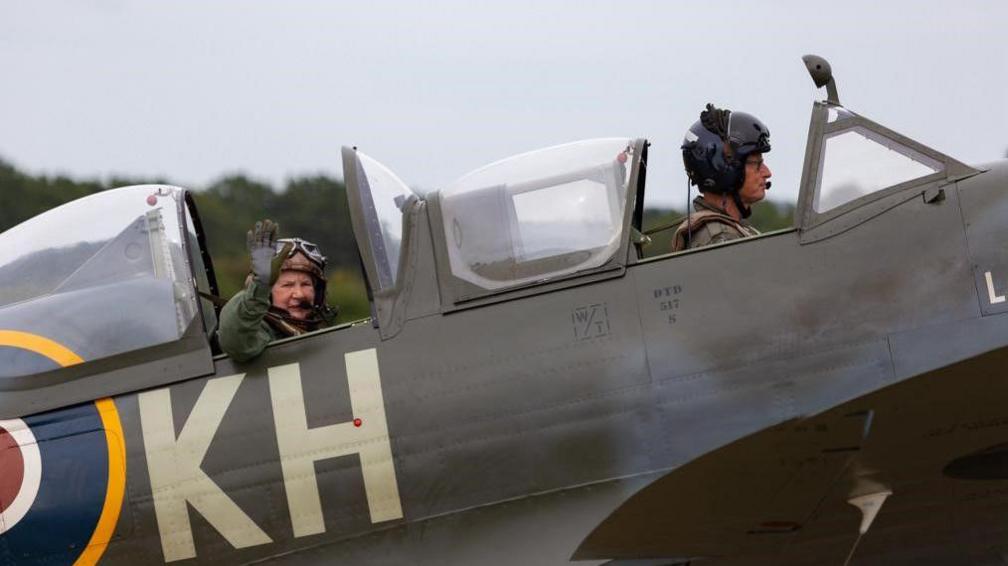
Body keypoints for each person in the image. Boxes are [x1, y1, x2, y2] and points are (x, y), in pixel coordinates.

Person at [218, 219, 337, 362]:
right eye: (287, 285)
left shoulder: (324, 337)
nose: (299, 294)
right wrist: (259, 287)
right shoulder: (260, 333)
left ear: (317, 292)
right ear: (267, 294)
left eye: (306, 284)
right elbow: (235, 342)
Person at [672, 103, 772, 251]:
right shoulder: (721, 240)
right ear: (724, 169)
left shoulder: (733, 230)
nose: (767, 172)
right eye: (756, 164)